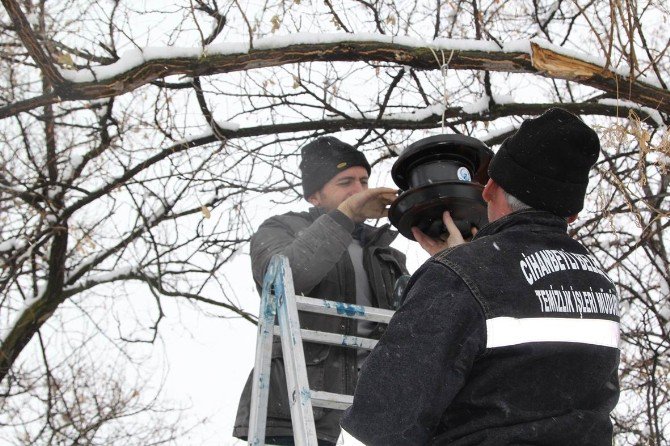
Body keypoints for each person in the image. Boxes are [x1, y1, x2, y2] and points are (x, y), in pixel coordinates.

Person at [339, 108, 621, 445]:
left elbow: (380, 423)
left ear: (489, 189)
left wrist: (459, 270)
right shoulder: (599, 286)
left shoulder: (460, 277)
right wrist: (465, 266)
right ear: (572, 213)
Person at [233, 136, 409, 445]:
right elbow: (288, 277)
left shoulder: (386, 250)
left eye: (364, 180)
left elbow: (414, 323)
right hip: (293, 409)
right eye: (345, 182)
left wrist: (446, 251)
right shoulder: (281, 229)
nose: (359, 190)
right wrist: (346, 215)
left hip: (376, 412)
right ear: (315, 195)